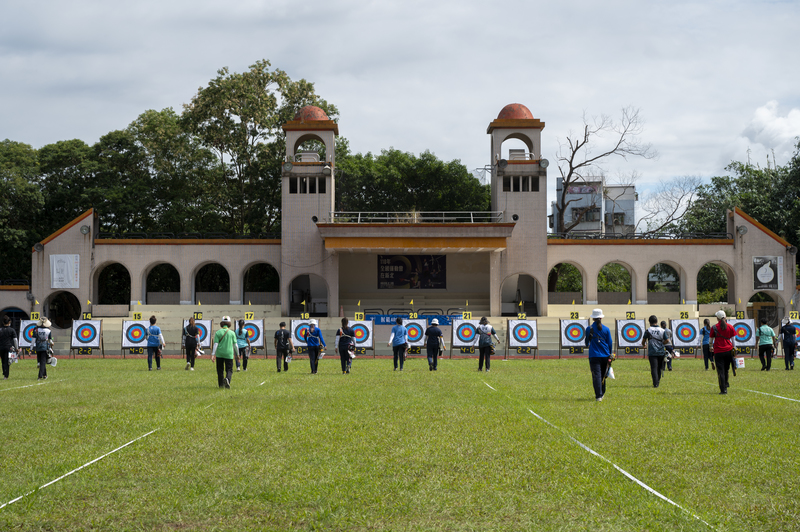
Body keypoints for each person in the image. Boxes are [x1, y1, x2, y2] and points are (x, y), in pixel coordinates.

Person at [585, 308, 613, 401]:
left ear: (593, 318)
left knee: (596, 376)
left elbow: (586, 342)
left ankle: (599, 396)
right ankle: (602, 393)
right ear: (601, 317)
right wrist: (610, 354)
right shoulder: (606, 329)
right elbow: (610, 343)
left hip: (594, 356)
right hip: (605, 355)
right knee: (603, 375)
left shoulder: (589, 328)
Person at [710, 310, 736, 394]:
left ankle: (723, 389)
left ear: (717, 318)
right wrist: (734, 349)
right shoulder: (730, 327)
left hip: (718, 351)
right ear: (725, 317)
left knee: (720, 371)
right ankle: (726, 384)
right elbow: (733, 340)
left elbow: (710, 340)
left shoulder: (714, 327)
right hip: (728, 350)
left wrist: (711, 347)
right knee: (726, 370)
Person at [642, 315, 669, 388]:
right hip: (661, 352)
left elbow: (643, 340)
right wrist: (662, 344)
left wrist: (643, 345)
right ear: (657, 322)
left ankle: (655, 383)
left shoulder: (648, 330)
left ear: (649, 322)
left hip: (652, 352)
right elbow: (667, 340)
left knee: (653, 368)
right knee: (659, 368)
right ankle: (658, 381)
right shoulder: (662, 330)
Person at [211, 316, 237, 388]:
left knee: (220, 369)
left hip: (219, 354)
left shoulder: (218, 332)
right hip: (229, 354)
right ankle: (227, 379)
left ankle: (221, 384)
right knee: (229, 369)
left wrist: (213, 354)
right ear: (229, 323)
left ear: (222, 323)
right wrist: (237, 354)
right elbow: (235, 345)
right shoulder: (232, 333)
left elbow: (215, 344)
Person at [0, 315, 19, 380]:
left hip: (1, 347)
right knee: (7, 361)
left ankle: (4, 373)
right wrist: (17, 348)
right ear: (9, 322)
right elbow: (15, 340)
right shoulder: (11, 330)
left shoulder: (0, 330)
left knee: (3, 361)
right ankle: (6, 375)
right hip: (8, 347)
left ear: (3, 322)